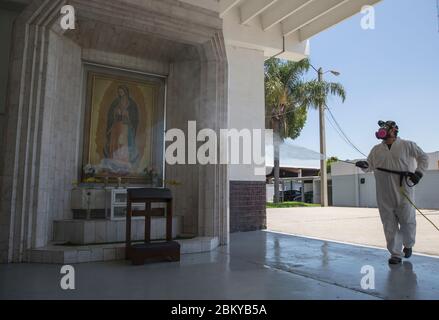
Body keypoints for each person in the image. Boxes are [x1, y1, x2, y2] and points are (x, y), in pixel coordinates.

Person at [356, 121, 429, 265]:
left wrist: (419, 173)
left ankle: (408, 244)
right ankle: (395, 254)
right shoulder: (376, 149)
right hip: (384, 193)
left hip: (404, 190)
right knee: (389, 224)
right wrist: (364, 165)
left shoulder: (408, 145)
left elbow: (424, 157)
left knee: (407, 221)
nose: (382, 131)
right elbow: (370, 165)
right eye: (381, 129)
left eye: (385, 128)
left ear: (394, 130)